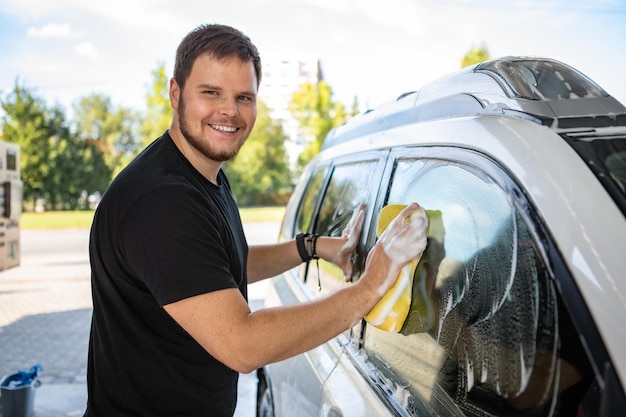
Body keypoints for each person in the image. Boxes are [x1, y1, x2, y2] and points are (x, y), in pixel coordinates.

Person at [84, 23, 429, 417]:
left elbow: (213, 270)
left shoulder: (201, 174)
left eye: (243, 97)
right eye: (211, 92)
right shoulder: (163, 201)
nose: (229, 111)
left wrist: (312, 248)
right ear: (175, 92)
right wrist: (370, 287)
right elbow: (243, 345)